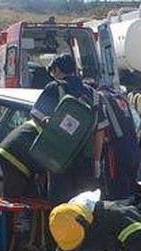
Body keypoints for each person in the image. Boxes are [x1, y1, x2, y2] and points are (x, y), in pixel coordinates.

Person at [31, 54, 109, 203]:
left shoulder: (55, 87)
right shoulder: (94, 94)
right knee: (84, 206)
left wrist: (48, 125)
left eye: (53, 71)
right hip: (86, 160)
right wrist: (97, 162)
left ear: (58, 70)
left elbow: (36, 114)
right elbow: (100, 131)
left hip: (59, 159)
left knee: (60, 204)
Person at [0, 119, 43, 198]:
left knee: (27, 193)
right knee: (13, 195)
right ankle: (6, 209)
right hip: (13, 158)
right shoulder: (45, 132)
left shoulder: (34, 125)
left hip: (10, 155)